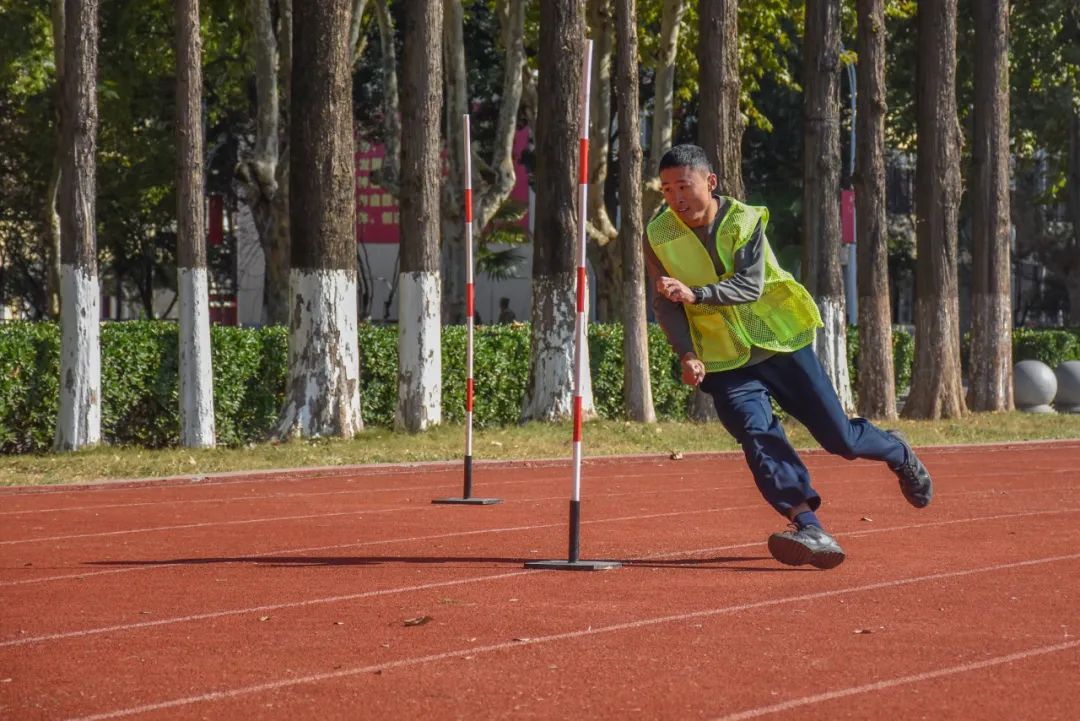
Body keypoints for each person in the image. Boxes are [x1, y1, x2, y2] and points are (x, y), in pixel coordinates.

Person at [643, 144, 932, 570]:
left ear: (710, 182)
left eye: (683, 186)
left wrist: (698, 293)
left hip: (779, 342)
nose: (676, 197)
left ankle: (897, 451)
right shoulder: (659, 233)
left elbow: (749, 286)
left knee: (841, 440)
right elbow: (666, 302)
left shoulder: (744, 220)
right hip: (725, 360)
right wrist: (686, 353)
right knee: (757, 435)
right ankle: (808, 525)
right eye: (667, 189)